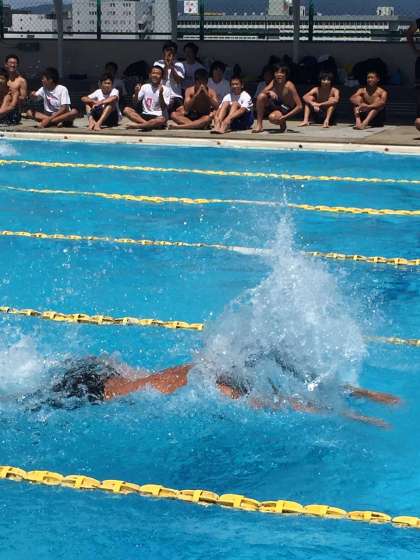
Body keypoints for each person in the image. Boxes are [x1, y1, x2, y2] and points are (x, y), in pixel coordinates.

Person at [23, 355, 400, 428]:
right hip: (90, 390)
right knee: (22, 405)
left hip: (103, 369)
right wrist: (352, 415)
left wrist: (366, 395)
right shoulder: (217, 386)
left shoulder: (224, 365)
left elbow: (303, 381)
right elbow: (282, 405)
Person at [253, 64, 302, 133]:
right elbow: (262, 92)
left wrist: (285, 117)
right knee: (261, 96)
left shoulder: (289, 85)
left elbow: (299, 106)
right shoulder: (274, 81)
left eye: (282, 73)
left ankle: (282, 122)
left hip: (286, 108)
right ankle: (259, 125)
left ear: (286, 75)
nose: (279, 75)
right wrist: (269, 92)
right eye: (277, 73)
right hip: (277, 104)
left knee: (272, 118)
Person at [123, 65, 170, 130]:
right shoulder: (145, 86)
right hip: (145, 115)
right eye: (153, 73)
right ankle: (147, 125)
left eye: (158, 74)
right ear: (150, 75)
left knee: (162, 119)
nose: (155, 75)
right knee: (127, 110)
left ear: (162, 77)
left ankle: (139, 126)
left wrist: (160, 94)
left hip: (158, 116)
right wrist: (136, 93)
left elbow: (163, 107)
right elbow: (135, 103)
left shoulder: (166, 89)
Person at [154, 41, 185, 115]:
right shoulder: (157, 63)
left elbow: (178, 81)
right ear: (163, 52)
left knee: (182, 113)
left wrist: (171, 66)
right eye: (167, 50)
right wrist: (166, 65)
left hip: (175, 96)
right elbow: (162, 78)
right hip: (162, 94)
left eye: (172, 51)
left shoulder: (180, 64)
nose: (169, 53)